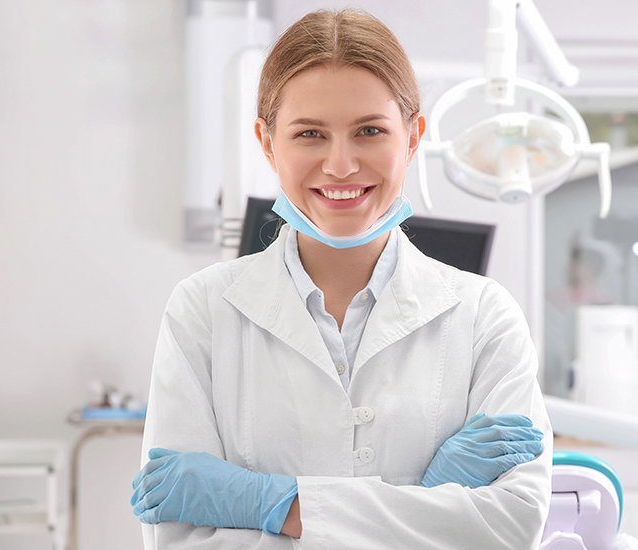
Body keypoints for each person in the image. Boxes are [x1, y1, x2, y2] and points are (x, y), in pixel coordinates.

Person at [130, 9, 552, 549]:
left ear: (414, 136)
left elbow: (511, 527)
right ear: (267, 143)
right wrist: (432, 499)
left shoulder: (484, 316)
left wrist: (271, 504)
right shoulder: (204, 310)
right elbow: (182, 540)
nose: (340, 165)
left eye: (370, 131)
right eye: (309, 134)